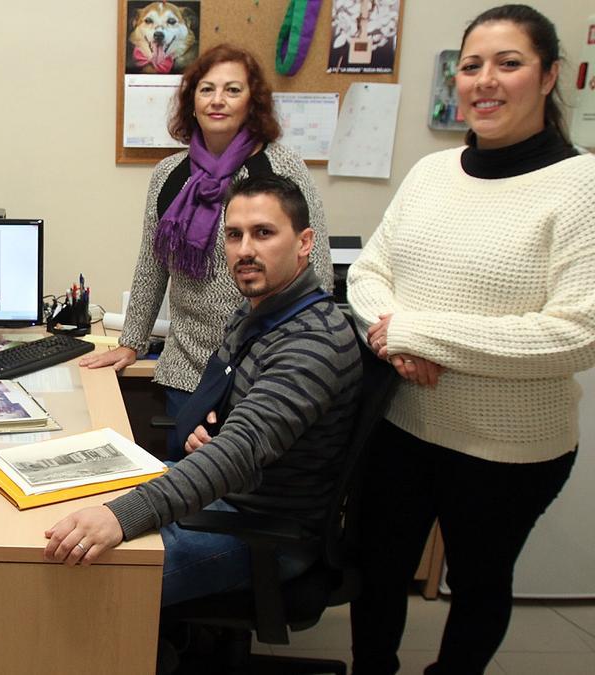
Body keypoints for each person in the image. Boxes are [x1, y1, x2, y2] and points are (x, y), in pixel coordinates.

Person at [346, 6, 595, 674]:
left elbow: (576, 333)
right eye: (472, 65)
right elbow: (369, 272)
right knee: (375, 572)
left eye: (508, 63)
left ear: (549, 77)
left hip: (507, 448)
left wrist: (419, 332)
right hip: (401, 420)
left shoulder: (581, 187)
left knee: (480, 585)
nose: (485, 81)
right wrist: (396, 344)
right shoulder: (433, 172)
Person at [44, 175, 361, 614]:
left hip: (263, 525)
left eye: (263, 233)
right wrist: (213, 429)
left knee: (74, 574)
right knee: (62, 506)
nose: (245, 249)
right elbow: (239, 422)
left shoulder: (312, 342)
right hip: (227, 492)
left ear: (305, 242)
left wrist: (121, 516)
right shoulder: (258, 311)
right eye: (234, 235)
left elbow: (241, 451)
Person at [80, 44, 333, 460]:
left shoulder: (283, 168)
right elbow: (152, 264)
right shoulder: (168, 174)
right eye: (206, 89)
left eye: (233, 90)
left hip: (264, 366)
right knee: (190, 486)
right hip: (189, 365)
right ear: (191, 102)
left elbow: (317, 269)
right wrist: (132, 341)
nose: (218, 100)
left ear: (252, 103)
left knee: (249, 485)